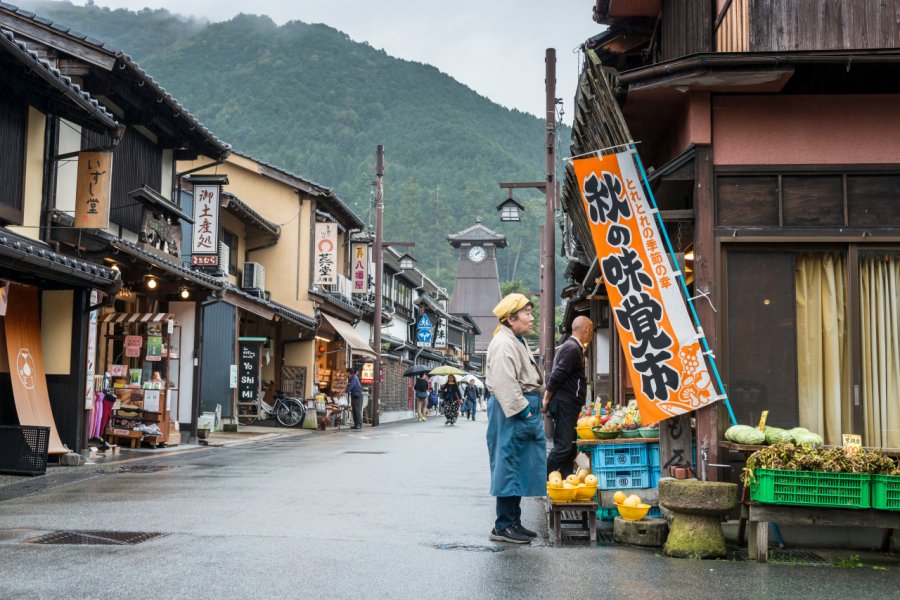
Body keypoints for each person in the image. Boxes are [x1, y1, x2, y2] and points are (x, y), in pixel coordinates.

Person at [484, 293, 544, 544]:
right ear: (510, 319)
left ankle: (513, 521)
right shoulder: (503, 343)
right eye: (527, 313)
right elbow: (504, 382)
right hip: (513, 409)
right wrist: (523, 410)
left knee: (518, 465)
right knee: (508, 463)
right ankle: (503, 525)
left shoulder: (514, 339)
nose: (531, 318)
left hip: (520, 407)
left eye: (531, 312)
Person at [542, 316, 594, 477]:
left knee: (570, 447)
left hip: (566, 403)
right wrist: (546, 398)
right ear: (587, 330)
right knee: (564, 447)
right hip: (566, 404)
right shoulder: (572, 348)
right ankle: (541, 477)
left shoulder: (569, 346)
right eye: (591, 330)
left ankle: (565, 480)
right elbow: (557, 375)